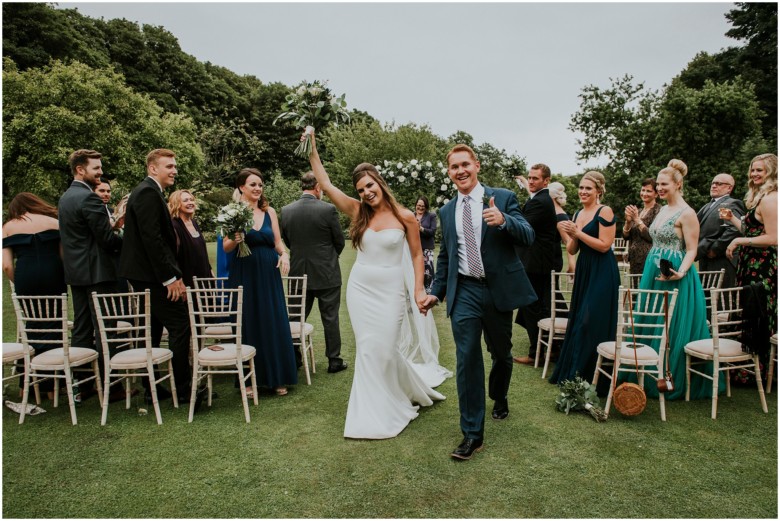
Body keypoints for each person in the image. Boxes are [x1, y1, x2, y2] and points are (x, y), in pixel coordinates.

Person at [306, 129, 444, 440]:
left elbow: (417, 255)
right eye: (361, 188)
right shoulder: (358, 212)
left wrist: (420, 290)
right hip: (361, 290)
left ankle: (401, 394)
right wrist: (312, 149)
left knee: (383, 349)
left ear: (379, 182)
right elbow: (325, 185)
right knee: (370, 348)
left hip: (391, 292)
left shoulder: (406, 216)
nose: (366, 192)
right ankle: (373, 412)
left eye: (369, 185)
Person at [420, 144, 535, 461]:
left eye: (465, 164)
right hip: (465, 291)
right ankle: (472, 434)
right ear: (449, 173)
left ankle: (499, 394)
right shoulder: (446, 211)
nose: (460, 171)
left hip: (498, 291)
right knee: (467, 358)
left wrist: (504, 221)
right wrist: (436, 291)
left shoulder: (503, 197)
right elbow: (446, 259)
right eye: (454, 167)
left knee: (502, 353)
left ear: (477, 165)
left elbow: (528, 234)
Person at [629, 159, 722, 400]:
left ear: (678, 184)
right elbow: (653, 237)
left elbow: (692, 249)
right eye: (658, 184)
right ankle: (645, 372)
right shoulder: (662, 211)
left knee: (671, 325)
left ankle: (671, 378)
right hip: (653, 267)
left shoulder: (687, 213)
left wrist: (680, 271)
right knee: (651, 318)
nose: (659, 188)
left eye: (664, 184)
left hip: (677, 273)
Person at [118, 149, 202, 406]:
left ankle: (152, 387)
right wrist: (170, 278)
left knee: (153, 329)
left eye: (174, 166)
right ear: (153, 168)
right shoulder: (146, 193)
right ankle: (185, 390)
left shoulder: (150, 192)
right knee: (180, 325)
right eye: (169, 166)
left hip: (146, 275)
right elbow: (152, 239)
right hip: (152, 275)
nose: (174, 170)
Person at [223, 168, 298, 397]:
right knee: (248, 320)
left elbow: (277, 242)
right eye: (253, 184)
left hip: (268, 271)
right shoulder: (232, 212)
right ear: (241, 187)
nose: (258, 188)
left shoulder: (270, 212)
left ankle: (277, 377)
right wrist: (235, 239)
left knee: (272, 318)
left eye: (260, 185)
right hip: (244, 271)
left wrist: (284, 255)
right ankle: (247, 380)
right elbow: (226, 246)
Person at [58, 149, 123, 399]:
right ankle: (111, 385)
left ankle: (84, 382)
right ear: (80, 170)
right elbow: (106, 240)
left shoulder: (66, 197)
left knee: (83, 328)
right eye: (96, 168)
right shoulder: (89, 198)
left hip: (76, 272)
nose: (101, 172)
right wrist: (120, 236)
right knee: (106, 328)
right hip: (97, 271)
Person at [550, 171, 619, 393]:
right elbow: (572, 248)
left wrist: (578, 233)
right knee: (579, 317)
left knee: (591, 319)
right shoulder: (578, 212)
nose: (583, 191)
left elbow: (604, 245)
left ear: (598, 190)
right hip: (585, 269)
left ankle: (593, 375)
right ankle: (574, 373)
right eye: (581, 187)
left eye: (588, 188)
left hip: (602, 270)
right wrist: (569, 234)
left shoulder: (604, 210)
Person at [280, 172, 347, 374]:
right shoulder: (328, 209)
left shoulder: (286, 210)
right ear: (317, 187)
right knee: (331, 318)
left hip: (298, 273)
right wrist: (328, 258)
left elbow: (288, 241)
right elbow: (340, 241)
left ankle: (294, 358)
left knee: (295, 317)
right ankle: (334, 361)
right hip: (327, 273)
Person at [3, 193, 67, 396]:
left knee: (31, 326)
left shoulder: (8, 227)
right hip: (53, 273)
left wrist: (19, 281)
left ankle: (26, 385)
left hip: (25, 275)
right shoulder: (53, 222)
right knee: (55, 325)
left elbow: (5, 266)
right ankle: (52, 387)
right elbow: (63, 256)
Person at [722, 153, 777, 364]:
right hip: (750, 263)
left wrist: (738, 241)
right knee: (749, 310)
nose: (754, 174)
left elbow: (773, 238)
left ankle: (760, 367)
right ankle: (745, 364)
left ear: (771, 172)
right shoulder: (759, 197)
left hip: (762, 266)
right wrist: (733, 219)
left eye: (759, 170)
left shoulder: (772, 199)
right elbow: (752, 230)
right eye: (752, 170)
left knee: (758, 313)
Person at [513, 164, 561, 366]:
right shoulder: (540, 198)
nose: (531, 181)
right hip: (539, 262)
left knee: (534, 307)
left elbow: (522, 225)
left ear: (546, 181)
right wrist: (524, 183)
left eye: (535, 178)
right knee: (541, 306)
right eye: (529, 178)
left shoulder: (541, 202)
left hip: (537, 264)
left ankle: (537, 353)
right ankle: (551, 348)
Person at [695, 173, 746, 288]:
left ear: (729, 188)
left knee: (721, 300)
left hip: (722, 259)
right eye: (713, 183)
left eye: (719, 184)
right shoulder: (707, 206)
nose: (714, 186)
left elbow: (735, 229)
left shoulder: (732, 203)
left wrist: (715, 249)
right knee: (707, 297)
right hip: (705, 257)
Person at [168, 189, 213, 288]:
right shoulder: (174, 226)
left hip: (204, 278)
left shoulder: (194, 222)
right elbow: (172, 256)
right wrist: (179, 281)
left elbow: (202, 251)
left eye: (191, 200)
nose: (190, 203)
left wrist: (210, 271)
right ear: (177, 204)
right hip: (187, 280)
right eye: (185, 200)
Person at [622, 178, 662, 275]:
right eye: (643, 190)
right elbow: (626, 236)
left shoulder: (659, 211)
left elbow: (652, 237)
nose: (644, 193)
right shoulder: (638, 211)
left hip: (650, 258)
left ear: (656, 194)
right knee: (635, 288)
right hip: (634, 259)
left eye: (649, 191)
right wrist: (628, 222)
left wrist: (636, 220)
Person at [548, 181, 577, 275]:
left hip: (552, 260)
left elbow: (568, 241)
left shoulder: (561, 216)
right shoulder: (551, 212)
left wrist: (572, 265)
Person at [414, 195, 437, 293]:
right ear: (415, 205)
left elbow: (432, 231)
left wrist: (421, 228)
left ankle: (429, 293)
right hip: (415, 248)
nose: (420, 207)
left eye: (423, 206)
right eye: (418, 205)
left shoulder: (431, 216)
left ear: (426, 206)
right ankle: (416, 291)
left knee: (428, 272)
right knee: (415, 271)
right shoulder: (411, 215)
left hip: (427, 249)